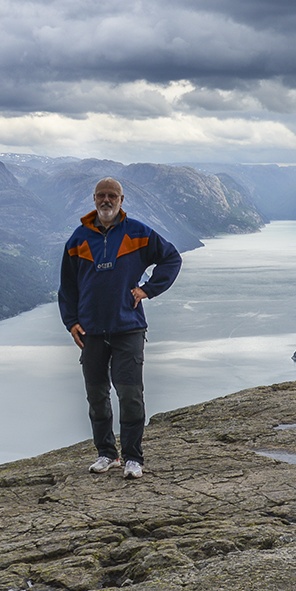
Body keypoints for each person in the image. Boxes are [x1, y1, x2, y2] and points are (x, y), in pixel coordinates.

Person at [58, 178, 181, 479]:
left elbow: (171, 259)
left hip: (128, 328)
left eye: (112, 196)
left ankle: (133, 458)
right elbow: (68, 287)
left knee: (129, 394)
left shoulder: (138, 233)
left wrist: (147, 290)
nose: (106, 200)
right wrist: (71, 322)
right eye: (101, 195)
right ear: (94, 199)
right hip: (91, 330)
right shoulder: (77, 240)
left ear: (122, 199)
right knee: (96, 395)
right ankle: (106, 454)